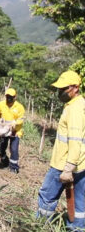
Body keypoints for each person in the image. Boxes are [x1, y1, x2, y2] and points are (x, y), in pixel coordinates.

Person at [37, 70, 85, 230]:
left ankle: (40, 226)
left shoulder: (74, 109)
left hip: (63, 164)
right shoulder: (78, 105)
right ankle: (77, 228)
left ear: (75, 88)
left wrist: (68, 168)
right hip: (80, 164)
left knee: (47, 197)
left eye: (63, 88)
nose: (60, 92)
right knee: (79, 203)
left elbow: (76, 139)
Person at [0, 88, 25, 173]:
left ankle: (14, 168)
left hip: (15, 131)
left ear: (15, 97)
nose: (9, 98)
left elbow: (22, 118)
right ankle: (5, 163)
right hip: (4, 130)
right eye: (7, 96)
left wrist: (15, 122)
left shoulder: (19, 107)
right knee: (1, 149)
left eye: (11, 97)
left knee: (14, 149)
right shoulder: (1, 104)